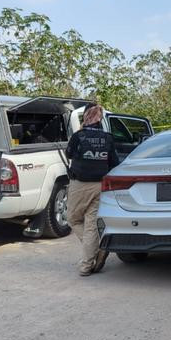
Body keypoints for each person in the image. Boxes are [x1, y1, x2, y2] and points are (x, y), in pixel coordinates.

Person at [65, 103, 120, 275]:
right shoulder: (108, 138)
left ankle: (93, 254)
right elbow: (114, 163)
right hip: (99, 186)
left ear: (85, 116)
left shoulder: (78, 136)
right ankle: (88, 263)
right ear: (100, 117)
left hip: (79, 185)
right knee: (90, 225)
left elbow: (68, 154)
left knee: (73, 220)